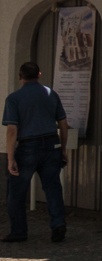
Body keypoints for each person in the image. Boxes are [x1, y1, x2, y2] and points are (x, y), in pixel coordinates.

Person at [3, 62, 70, 243]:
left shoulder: (14, 98)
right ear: (39, 74)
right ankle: (58, 225)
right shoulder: (51, 94)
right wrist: (62, 148)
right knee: (53, 188)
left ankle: (18, 231)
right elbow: (63, 124)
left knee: (16, 191)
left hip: (27, 147)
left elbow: (11, 130)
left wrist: (10, 158)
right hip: (51, 144)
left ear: (20, 76)